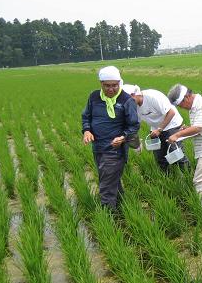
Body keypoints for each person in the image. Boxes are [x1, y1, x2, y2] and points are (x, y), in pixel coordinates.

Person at [81, 66, 139, 210]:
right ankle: (122, 207)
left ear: (119, 83)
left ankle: (108, 219)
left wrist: (123, 137)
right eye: (107, 86)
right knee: (111, 180)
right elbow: (86, 116)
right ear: (101, 84)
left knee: (106, 186)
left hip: (115, 150)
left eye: (115, 85)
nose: (111, 89)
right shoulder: (94, 97)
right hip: (98, 147)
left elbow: (133, 126)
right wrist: (87, 130)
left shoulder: (126, 100)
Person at [167, 84, 202, 207]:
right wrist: (188, 129)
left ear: (186, 97)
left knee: (200, 181)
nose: (182, 108)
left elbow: (198, 127)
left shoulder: (201, 105)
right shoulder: (195, 106)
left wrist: (177, 135)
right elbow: (200, 127)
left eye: (180, 105)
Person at [129, 85, 190, 171]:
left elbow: (171, 112)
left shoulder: (153, 96)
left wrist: (159, 129)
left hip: (172, 124)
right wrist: (137, 141)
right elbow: (135, 123)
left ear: (134, 94)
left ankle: (187, 174)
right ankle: (167, 177)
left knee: (176, 154)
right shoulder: (133, 106)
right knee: (159, 157)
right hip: (155, 129)